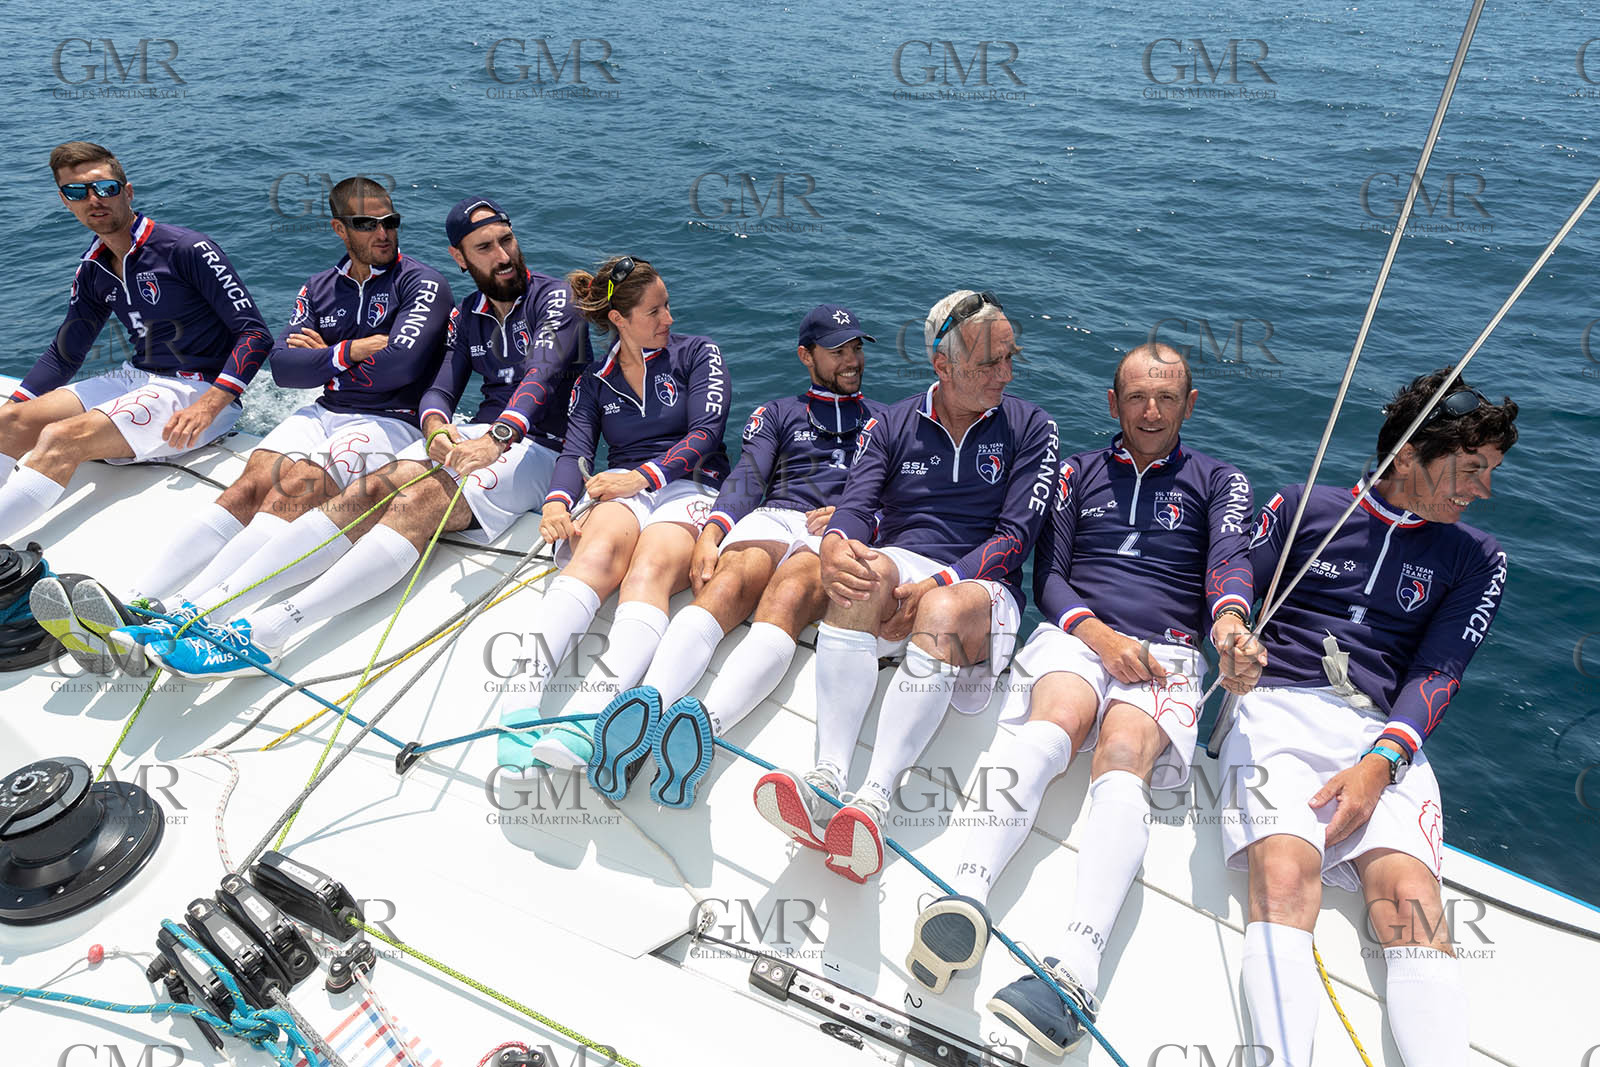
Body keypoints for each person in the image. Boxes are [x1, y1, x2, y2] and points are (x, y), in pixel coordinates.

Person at [903, 343, 1264, 1056]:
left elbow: (1229, 562)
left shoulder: (1221, 481)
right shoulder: (1076, 472)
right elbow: (1050, 578)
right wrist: (1099, 638)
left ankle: (1077, 969)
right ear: (1113, 403)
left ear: (1190, 404)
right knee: (1053, 725)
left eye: (1166, 397)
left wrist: (1229, 623)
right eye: (1136, 396)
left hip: (1166, 649)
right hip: (1079, 633)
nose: (1151, 410)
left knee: (1123, 754)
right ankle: (964, 894)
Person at [113, 197, 589, 677]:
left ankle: (266, 633)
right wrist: (435, 426)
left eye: (506, 240)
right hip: (482, 432)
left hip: (544, 444)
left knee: (418, 500)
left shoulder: (555, 298)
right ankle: (202, 609)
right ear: (460, 258)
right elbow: (441, 389)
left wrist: (499, 436)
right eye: (484, 247)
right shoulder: (468, 314)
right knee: (369, 488)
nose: (503, 256)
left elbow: (542, 374)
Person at [37, 176, 452, 672]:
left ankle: (195, 609)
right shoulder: (318, 287)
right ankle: (141, 601)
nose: (382, 233)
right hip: (324, 409)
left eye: (390, 222)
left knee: (297, 484)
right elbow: (284, 369)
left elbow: (400, 367)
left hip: (390, 418)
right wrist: (351, 351)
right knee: (248, 486)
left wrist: (323, 356)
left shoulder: (423, 283)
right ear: (340, 229)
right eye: (367, 224)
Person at [1220, 367, 1514, 1066]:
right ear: (1408, 456)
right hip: (1279, 708)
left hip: (1383, 734)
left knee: (1410, 901)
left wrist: (1380, 765)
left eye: (1490, 472)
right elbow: (1234, 570)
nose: (1483, 490)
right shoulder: (1302, 506)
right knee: (1285, 875)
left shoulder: (1478, 559)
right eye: (1471, 468)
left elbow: (1439, 672)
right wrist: (1232, 629)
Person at [753, 290, 1058, 883]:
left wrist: (940, 581)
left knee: (939, 606)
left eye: (1009, 358)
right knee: (861, 573)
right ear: (943, 365)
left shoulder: (1032, 427)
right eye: (989, 363)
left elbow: (1015, 538)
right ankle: (826, 780)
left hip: (981, 587)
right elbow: (856, 504)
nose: (1006, 374)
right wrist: (836, 543)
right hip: (907, 567)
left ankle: (875, 799)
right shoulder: (891, 422)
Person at [569, 304, 882, 809]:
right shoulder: (778, 412)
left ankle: (702, 729)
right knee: (729, 581)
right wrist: (712, 533)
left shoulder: (886, 422)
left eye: (856, 348)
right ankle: (647, 711)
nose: (851, 360)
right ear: (806, 356)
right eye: (837, 351)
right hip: (775, 515)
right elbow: (748, 478)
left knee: (790, 593)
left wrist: (854, 516)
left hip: (833, 532)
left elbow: (900, 497)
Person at [0, 142, 271, 665]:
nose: (93, 200)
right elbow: (67, 352)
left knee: (62, 438)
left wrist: (212, 404)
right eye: (77, 192)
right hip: (139, 375)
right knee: (10, 421)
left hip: (196, 386)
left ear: (126, 190)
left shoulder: (187, 249)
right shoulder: (95, 267)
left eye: (104, 187)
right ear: (65, 202)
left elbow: (254, 334)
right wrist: (16, 405)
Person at [495, 256, 731, 778]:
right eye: (655, 311)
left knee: (649, 569)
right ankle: (517, 710)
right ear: (619, 319)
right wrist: (557, 501)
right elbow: (576, 452)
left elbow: (706, 433)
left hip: (691, 483)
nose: (669, 318)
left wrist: (642, 477)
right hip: (627, 482)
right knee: (595, 553)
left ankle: (588, 718)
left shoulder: (699, 354)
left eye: (667, 306)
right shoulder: (595, 380)